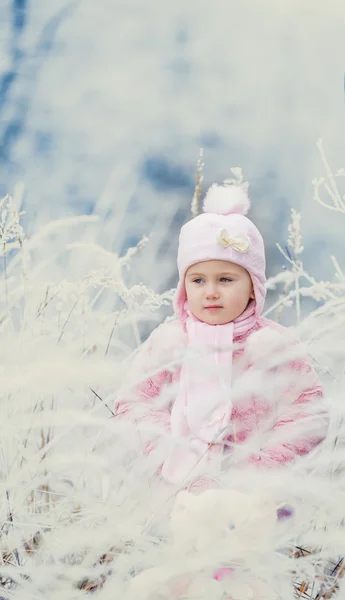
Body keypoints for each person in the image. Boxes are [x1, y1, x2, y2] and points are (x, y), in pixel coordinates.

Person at [113, 181, 328, 486]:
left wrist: (256, 470)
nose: (211, 292)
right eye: (198, 280)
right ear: (183, 286)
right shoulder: (169, 344)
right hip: (173, 497)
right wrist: (170, 449)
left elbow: (308, 415)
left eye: (225, 279)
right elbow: (132, 404)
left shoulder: (273, 347)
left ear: (253, 287)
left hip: (255, 503)